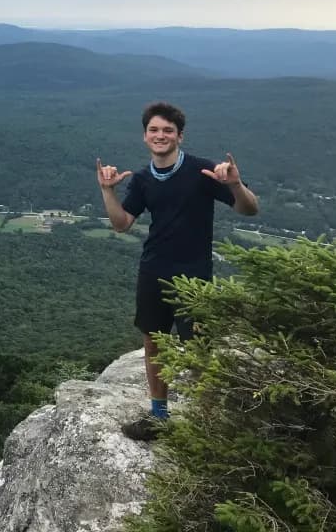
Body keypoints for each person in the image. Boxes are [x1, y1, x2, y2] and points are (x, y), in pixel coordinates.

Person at [97, 101, 259, 440]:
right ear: (145, 137)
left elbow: (249, 210)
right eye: (154, 130)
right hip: (153, 269)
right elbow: (121, 224)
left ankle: (207, 422)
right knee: (155, 341)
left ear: (180, 136)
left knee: (198, 348)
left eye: (167, 130)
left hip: (194, 275)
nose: (160, 135)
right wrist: (107, 191)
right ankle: (159, 415)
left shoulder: (203, 172)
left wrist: (234, 184)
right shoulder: (142, 179)